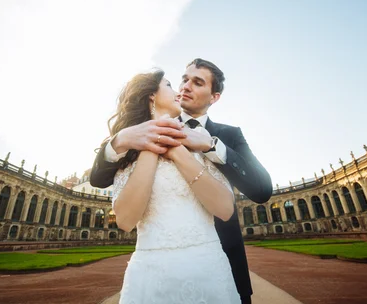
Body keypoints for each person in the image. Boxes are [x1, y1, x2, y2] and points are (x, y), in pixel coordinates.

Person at [92, 58, 272, 304]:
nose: (185, 86)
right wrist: (120, 140)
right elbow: (98, 180)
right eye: (183, 79)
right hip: (153, 268)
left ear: (214, 96)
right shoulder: (134, 136)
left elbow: (261, 190)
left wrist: (211, 146)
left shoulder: (225, 136)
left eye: (197, 82)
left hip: (220, 268)